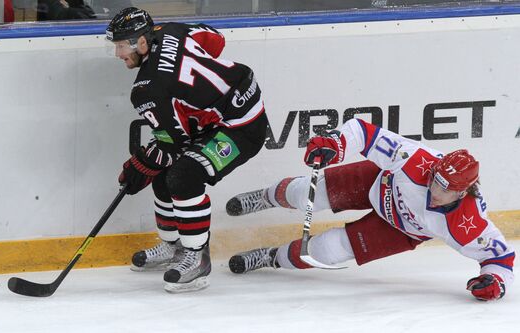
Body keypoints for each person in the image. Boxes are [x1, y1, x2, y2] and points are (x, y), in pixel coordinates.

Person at [226, 118, 515, 302]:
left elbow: (501, 259)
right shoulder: (416, 160)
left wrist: (494, 283)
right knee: (305, 193)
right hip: (376, 183)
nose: (435, 190)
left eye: (446, 189)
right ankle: (264, 197)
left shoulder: (469, 222)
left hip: (401, 231)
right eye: (435, 180)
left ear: (463, 192)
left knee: (327, 250)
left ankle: (271, 257)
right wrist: (335, 144)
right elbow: (363, 133)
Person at [106, 7, 267, 293]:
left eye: (122, 46)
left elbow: (172, 146)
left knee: (184, 176)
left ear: (143, 43)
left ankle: (196, 257)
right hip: (235, 100)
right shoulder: (171, 30)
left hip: (241, 127)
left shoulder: (146, 90)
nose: (118, 54)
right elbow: (215, 40)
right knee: (163, 171)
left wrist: (139, 166)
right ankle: (174, 245)